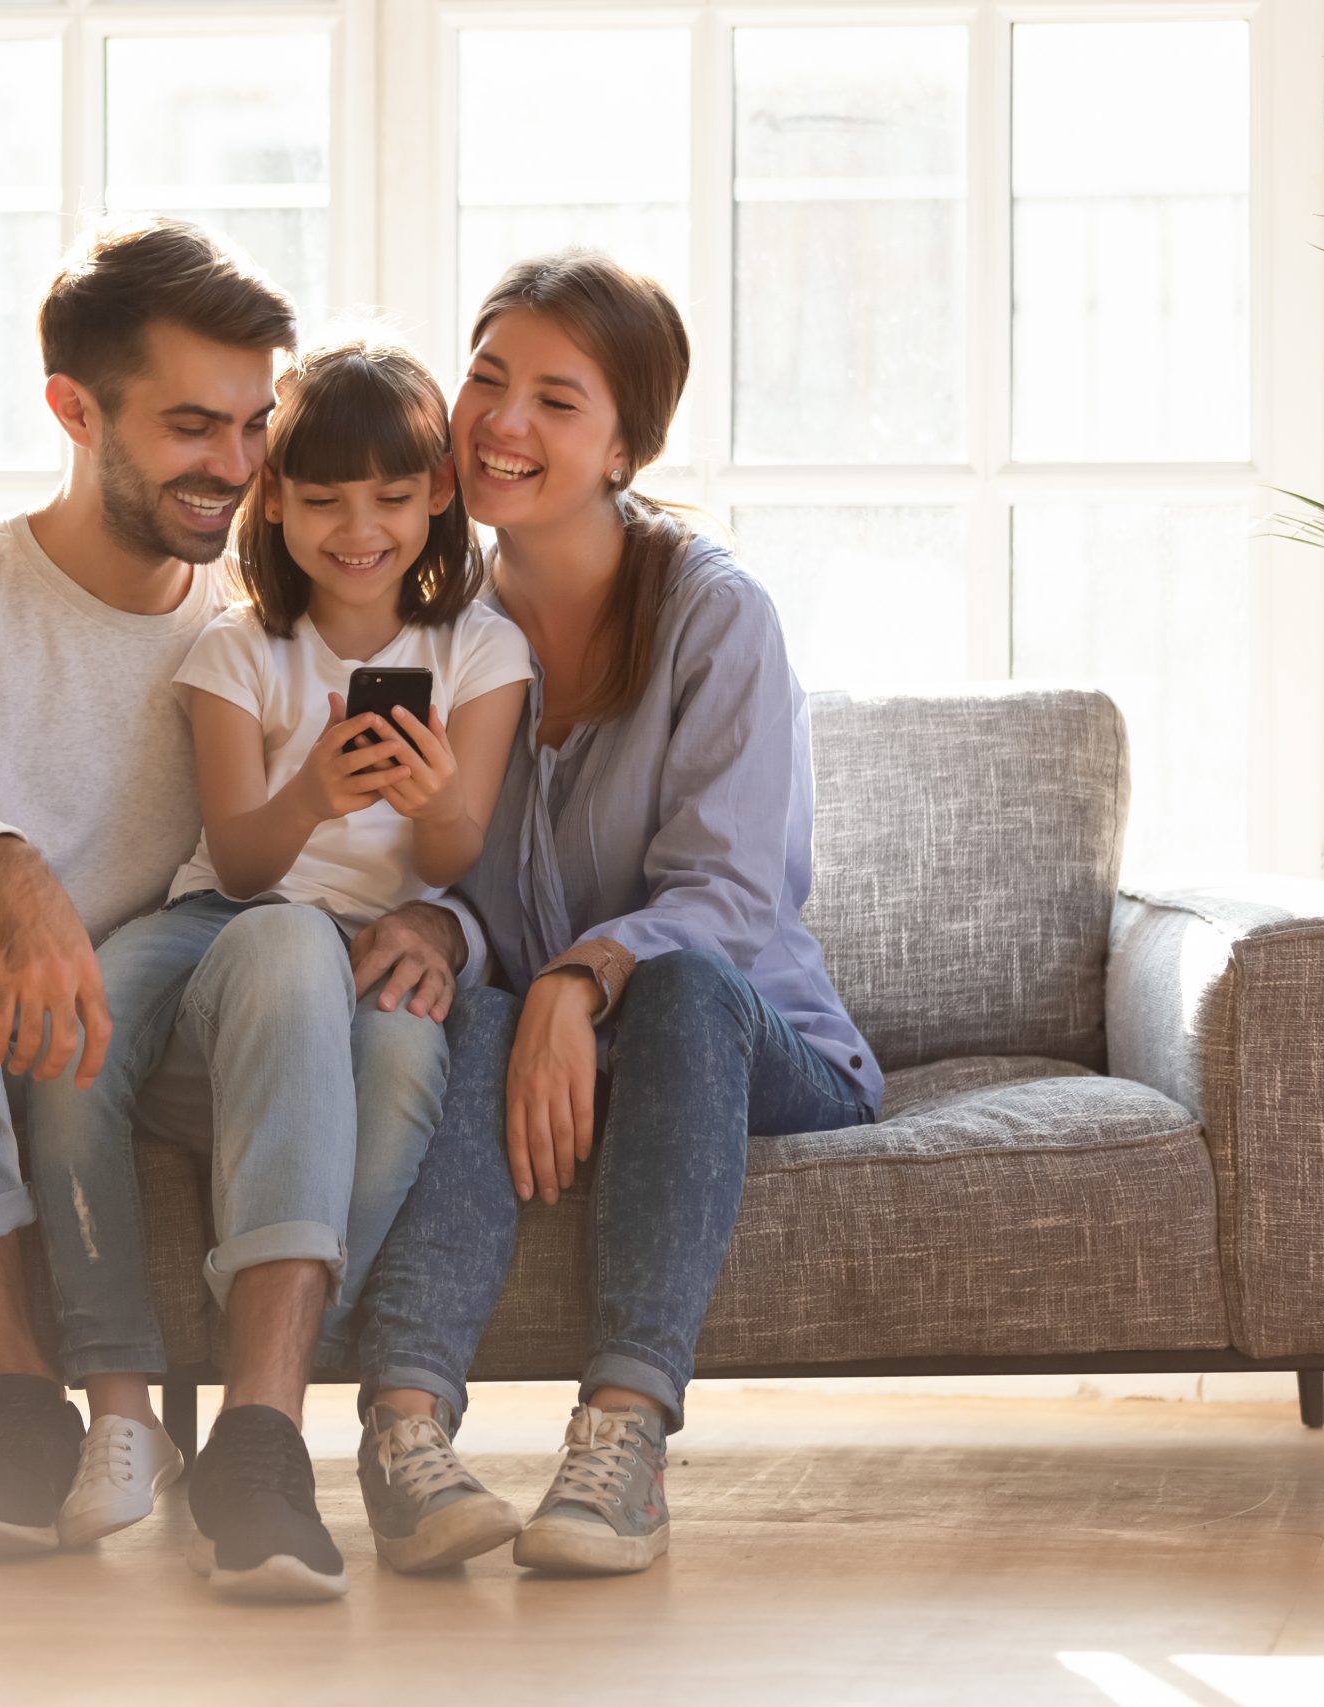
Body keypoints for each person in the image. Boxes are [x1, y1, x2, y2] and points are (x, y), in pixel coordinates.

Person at [0, 219, 477, 1591]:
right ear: (75, 410)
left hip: (138, 1039)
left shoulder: (266, 623)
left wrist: (439, 920)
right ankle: (20, 1410)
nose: (240, 465)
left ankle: (261, 1436)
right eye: (194, 425)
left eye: (255, 423)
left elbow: (369, 844)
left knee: (328, 981)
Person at [340, 249, 886, 1577]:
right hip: (551, 1030)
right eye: (485, 378)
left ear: (627, 443)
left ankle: (623, 1440)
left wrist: (579, 979)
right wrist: (440, 930)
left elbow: (737, 900)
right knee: (443, 1002)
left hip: (750, 1042)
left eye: (556, 399)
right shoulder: (432, 625)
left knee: (686, 989)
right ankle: (404, 1433)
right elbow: (461, 881)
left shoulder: (718, 614)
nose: (503, 422)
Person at [22, 337, 531, 1593]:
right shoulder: (235, 653)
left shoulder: (482, 650)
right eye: (321, 499)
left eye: (391, 497)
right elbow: (244, 866)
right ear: (274, 504)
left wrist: (430, 798)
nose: (359, 529)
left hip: (382, 954)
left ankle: (261, 1401)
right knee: (71, 1047)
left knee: (405, 1065)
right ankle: (122, 1403)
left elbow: (461, 854)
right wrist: (311, 789)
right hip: (222, 928)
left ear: (437, 498)